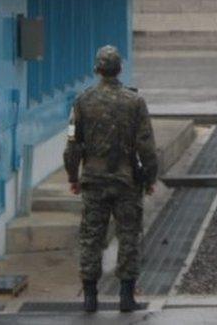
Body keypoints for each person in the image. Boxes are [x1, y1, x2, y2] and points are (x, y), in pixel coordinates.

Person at [64, 46, 159, 312]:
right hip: (126, 180)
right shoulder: (135, 102)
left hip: (94, 179)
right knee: (128, 235)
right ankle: (127, 297)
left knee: (91, 236)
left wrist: (73, 176)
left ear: (97, 69)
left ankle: (90, 297)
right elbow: (146, 146)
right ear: (119, 70)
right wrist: (150, 176)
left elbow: (73, 144)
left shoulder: (83, 101)